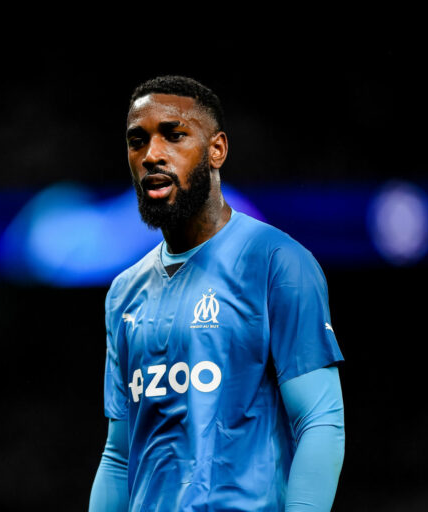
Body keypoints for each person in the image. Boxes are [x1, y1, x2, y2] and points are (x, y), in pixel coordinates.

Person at [88, 75, 345, 511]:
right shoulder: (123, 293)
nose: (151, 155)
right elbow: (118, 456)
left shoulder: (276, 261)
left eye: (174, 135)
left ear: (216, 150)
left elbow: (319, 421)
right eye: (137, 141)